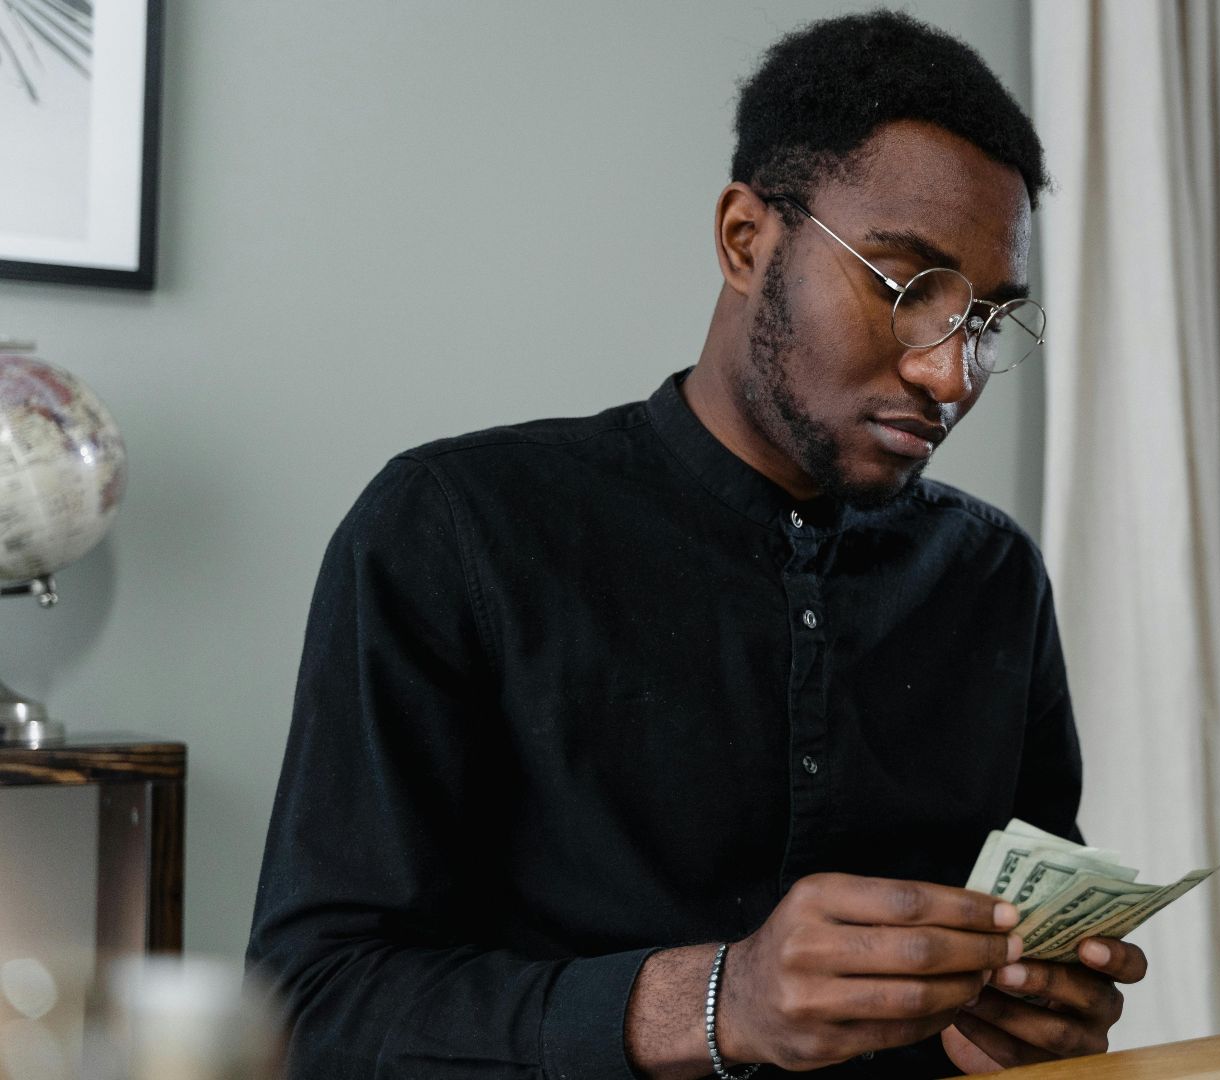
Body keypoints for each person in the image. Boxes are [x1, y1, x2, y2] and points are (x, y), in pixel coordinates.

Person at [247, 11, 1149, 1078]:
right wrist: (712, 1002)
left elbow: (1018, 984)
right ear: (743, 239)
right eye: (911, 292)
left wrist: (1035, 1022)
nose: (950, 376)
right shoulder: (452, 529)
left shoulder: (992, 578)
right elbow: (312, 1008)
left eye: (987, 323)